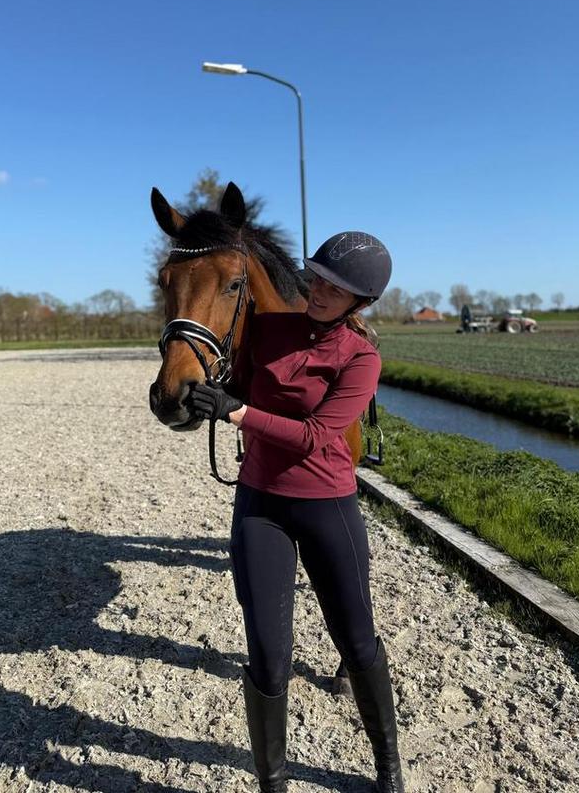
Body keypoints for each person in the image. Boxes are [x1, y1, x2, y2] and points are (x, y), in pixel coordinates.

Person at [186, 232, 405, 793]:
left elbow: (314, 436)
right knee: (267, 655)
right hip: (259, 506)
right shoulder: (268, 328)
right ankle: (273, 783)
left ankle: (387, 763)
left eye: (338, 287)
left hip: (327, 506)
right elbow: (221, 348)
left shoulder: (361, 358)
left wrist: (237, 415)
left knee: (356, 640)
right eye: (318, 277)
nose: (321, 290)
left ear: (363, 300)